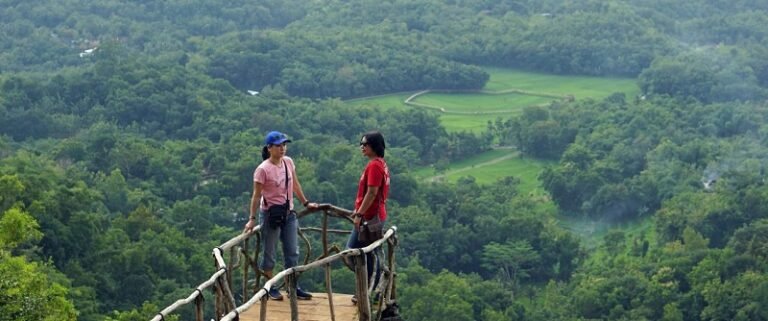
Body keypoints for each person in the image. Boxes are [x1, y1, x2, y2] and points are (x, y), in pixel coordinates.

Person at [243, 131, 318, 301]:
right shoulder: (262, 169)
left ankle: (293, 286)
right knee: (269, 253)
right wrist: (251, 218)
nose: (282, 148)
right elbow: (256, 195)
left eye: (284, 145)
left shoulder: (288, 162)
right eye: (278, 145)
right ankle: (270, 287)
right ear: (269, 148)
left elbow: (295, 184)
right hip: (270, 215)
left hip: (288, 213)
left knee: (292, 252)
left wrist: (306, 203)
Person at [347, 131, 390, 303]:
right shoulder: (380, 164)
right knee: (369, 254)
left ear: (374, 145)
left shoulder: (374, 166)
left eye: (365, 144)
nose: (362, 147)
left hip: (370, 218)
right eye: (361, 144)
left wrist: (359, 214)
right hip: (375, 216)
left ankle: (368, 291)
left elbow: (372, 193)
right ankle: (370, 290)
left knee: (353, 252)